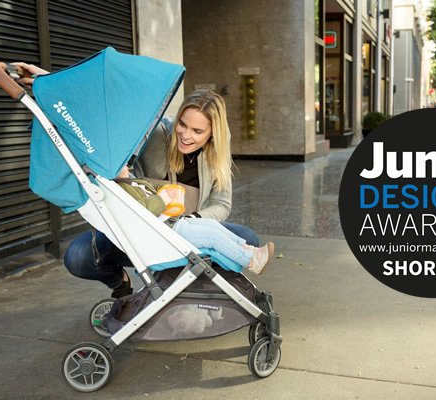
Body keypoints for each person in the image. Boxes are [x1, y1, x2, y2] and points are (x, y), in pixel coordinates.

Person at [14, 63, 261, 297]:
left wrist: (191, 221)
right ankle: (119, 282)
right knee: (78, 257)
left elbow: (221, 205)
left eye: (197, 131)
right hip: (140, 229)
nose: (186, 135)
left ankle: (195, 287)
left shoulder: (216, 157)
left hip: (187, 230)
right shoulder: (156, 135)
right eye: (182, 125)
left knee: (247, 239)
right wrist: (48, 82)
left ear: (212, 134)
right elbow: (104, 113)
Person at [117, 175, 274, 275]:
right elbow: (139, 212)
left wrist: (168, 190)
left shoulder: (134, 180)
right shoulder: (120, 190)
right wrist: (162, 199)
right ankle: (251, 262)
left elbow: (152, 188)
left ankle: (246, 248)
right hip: (167, 234)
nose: (126, 163)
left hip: (175, 222)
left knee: (212, 224)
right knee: (213, 237)